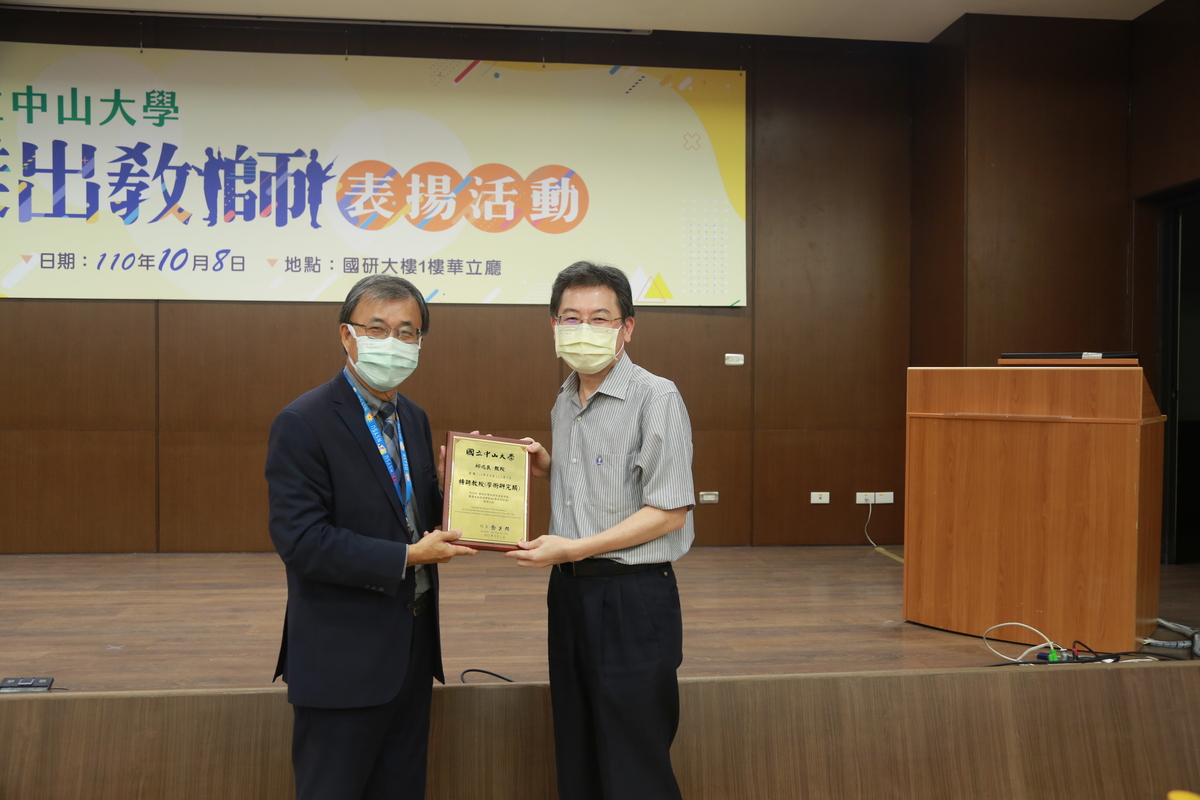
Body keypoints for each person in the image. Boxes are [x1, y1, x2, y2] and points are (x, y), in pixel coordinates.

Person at [265, 274, 476, 800]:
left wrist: (458, 490)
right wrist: (408, 556)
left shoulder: (413, 417)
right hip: (343, 657)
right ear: (346, 334)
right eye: (377, 328)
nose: (394, 342)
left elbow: (409, 507)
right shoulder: (303, 421)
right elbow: (302, 541)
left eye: (408, 332)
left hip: (410, 649)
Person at [507, 261, 696, 800]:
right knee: (579, 742)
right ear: (553, 325)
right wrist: (547, 464)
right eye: (571, 317)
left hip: (632, 596)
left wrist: (575, 548)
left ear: (627, 326)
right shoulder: (565, 399)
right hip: (568, 593)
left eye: (600, 317)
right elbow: (595, 481)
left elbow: (668, 511)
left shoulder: (656, 397)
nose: (584, 329)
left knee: (633, 757)